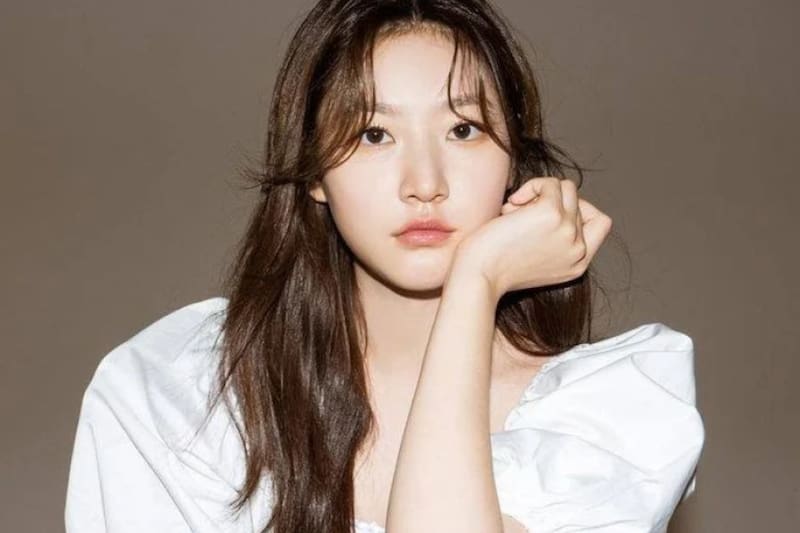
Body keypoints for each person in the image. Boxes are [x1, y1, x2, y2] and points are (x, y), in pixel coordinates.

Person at [64, 1, 705, 532]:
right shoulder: (180, 395)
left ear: (513, 157)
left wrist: (476, 283)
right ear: (315, 172)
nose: (424, 183)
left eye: (463, 130)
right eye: (374, 134)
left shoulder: (617, 413)